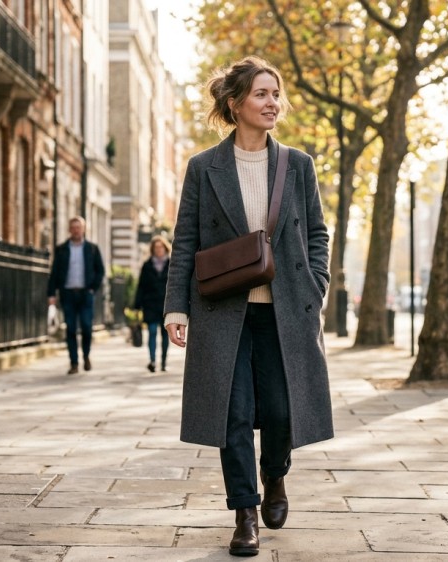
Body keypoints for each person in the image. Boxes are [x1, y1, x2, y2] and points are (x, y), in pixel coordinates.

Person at [163, 56, 333, 557]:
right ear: (236, 104)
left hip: (285, 312)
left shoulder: (297, 164)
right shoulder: (204, 167)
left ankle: (275, 475)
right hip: (224, 311)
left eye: (276, 94)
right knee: (232, 415)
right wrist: (177, 308)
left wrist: (315, 285)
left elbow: (318, 233)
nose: (272, 103)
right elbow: (186, 240)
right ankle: (245, 513)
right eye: (261, 94)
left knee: (281, 411)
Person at [48, 216, 106, 375]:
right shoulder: (61, 249)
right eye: (73, 227)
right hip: (67, 293)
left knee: (87, 327)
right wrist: (51, 294)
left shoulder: (92, 249)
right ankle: (74, 362)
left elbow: (100, 271)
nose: (76, 230)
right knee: (71, 329)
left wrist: (93, 288)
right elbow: (54, 273)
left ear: (83, 229)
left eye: (78, 227)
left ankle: (86, 355)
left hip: (86, 293)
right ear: (69, 229)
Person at [133, 235, 171, 372]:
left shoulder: (171, 264)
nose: (159, 250)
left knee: (165, 334)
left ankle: (164, 361)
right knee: (152, 331)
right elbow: (141, 286)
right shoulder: (147, 265)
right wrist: (137, 305)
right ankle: (153, 360)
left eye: (161, 247)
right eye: (156, 247)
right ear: (153, 249)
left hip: (166, 304)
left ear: (165, 248)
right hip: (150, 304)